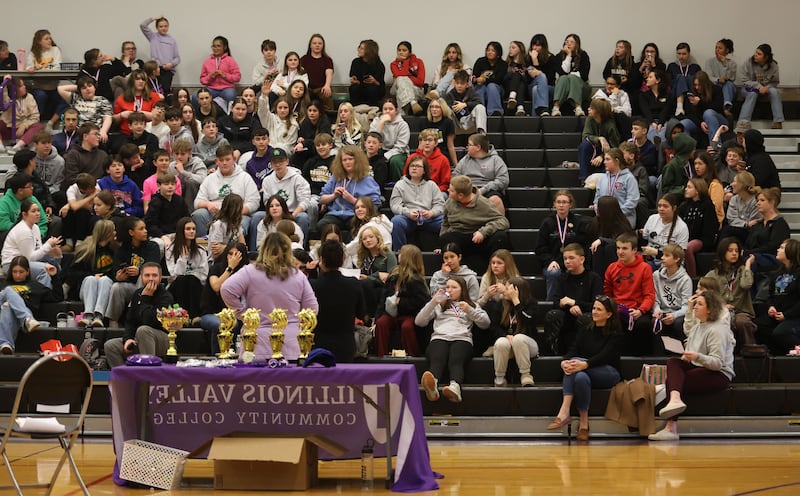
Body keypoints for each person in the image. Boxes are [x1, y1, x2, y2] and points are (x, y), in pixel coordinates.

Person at [649, 290, 735, 441]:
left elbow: (717, 363)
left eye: (700, 304)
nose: (695, 306)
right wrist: (687, 354)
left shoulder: (717, 329)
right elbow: (692, 350)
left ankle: (671, 427)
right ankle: (675, 400)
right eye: (695, 303)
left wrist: (697, 356)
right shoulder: (698, 326)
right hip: (700, 366)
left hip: (719, 374)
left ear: (710, 309)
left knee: (673, 382)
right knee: (673, 362)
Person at [221, 232, 318, 361]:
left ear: (263, 249)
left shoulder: (250, 271)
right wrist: (298, 324)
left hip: (257, 342)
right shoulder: (298, 275)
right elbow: (312, 308)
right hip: (290, 342)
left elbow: (226, 289)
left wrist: (243, 314)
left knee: (253, 375)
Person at [547, 295, 623, 442]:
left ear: (609, 314)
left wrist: (585, 364)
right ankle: (583, 425)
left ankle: (564, 411)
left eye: (599, 309)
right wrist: (564, 362)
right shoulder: (585, 329)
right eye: (594, 308)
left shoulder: (616, 334)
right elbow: (573, 349)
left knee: (576, 366)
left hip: (609, 373)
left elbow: (605, 356)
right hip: (585, 370)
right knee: (580, 376)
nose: (594, 311)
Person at [417, 275, 490, 403]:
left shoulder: (471, 305)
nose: (449, 290)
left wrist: (470, 311)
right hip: (440, 336)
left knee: (456, 359)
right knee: (438, 357)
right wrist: (433, 302)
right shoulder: (439, 305)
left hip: (462, 338)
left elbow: (485, 323)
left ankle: (455, 387)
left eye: (454, 287)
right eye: (448, 287)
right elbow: (419, 321)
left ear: (462, 290)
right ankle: (433, 385)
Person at [104, 262, 174, 367]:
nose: (151, 279)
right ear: (141, 277)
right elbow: (130, 321)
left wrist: (145, 298)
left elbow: (151, 321)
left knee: (143, 330)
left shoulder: (166, 297)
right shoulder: (137, 294)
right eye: (147, 275)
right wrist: (128, 339)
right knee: (110, 346)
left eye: (154, 275)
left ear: (160, 278)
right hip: (141, 338)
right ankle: (125, 376)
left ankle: (148, 373)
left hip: (163, 340)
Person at [439, 175, 510, 274]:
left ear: (460, 195)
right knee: (445, 238)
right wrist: (442, 246)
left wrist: (483, 232)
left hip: (480, 237)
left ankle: (494, 271)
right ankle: (458, 273)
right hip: (459, 235)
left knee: (500, 237)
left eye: (451, 191)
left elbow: (503, 221)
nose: (448, 191)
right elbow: (445, 223)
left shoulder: (484, 204)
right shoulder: (449, 202)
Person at [310, 240, 366, 362]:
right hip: (345, 345)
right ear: (342, 259)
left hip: (318, 344)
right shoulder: (354, 284)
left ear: (321, 260)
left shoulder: (312, 285)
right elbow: (361, 313)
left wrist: (311, 272)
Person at [545, 243, 603, 356]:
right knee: (552, 315)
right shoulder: (562, 278)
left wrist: (576, 303)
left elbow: (598, 304)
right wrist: (568, 306)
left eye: (571, 258)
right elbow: (556, 302)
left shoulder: (593, 278)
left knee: (586, 318)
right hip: (567, 316)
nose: (567, 261)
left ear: (582, 259)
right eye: (565, 258)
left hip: (586, 315)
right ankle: (553, 354)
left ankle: (586, 354)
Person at [604, 232, 657, 356]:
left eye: (624, 248)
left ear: (634, 250)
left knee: (643, 325)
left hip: (637, 310)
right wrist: (613, 308)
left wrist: (641, 311)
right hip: (617, 309)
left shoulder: (645, 268)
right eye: (618, 248)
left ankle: (641, 360)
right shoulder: (611, 268)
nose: (620, 252)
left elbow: (649, 295)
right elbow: (607, 293)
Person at [192, 145, 260, 239]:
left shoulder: (245, 178)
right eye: (221, 160)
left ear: (234, 159)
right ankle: (203, 245)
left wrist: (235, 212)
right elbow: (197, 202)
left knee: (242, 224)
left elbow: (254, 202)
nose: (224, 163)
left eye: (227, 159)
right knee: (199, 214)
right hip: (215, 214)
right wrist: (207, 204)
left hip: (238, 215)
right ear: (216, 161)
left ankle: (233, 247)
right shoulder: (209, 179)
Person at [374, 244, 429, 357]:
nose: (399, 256)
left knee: (407, 327)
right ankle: (380, 355)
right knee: (381, 323)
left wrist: (402, 302)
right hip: (391, 313)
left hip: (409, 314)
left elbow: (422, 302)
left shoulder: (416, 279)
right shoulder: (393, 275)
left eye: (401, 254)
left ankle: (413, 355)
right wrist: (377, 317)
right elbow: (383, 297)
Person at [105, 217, 160, 326]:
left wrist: (139, 271)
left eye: (145, 228)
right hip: (130, 287)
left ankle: (134, 314)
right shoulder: (122, 250)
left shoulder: (152, 247)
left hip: (148, 288)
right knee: (116, 287)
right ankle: (113, 322)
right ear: (131, 232)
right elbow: (115, 271)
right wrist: (118, 277)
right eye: (141, 229)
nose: (145, 231)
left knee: (143, 276)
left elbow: (154, 268)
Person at [536, 190, 589, 300]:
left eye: (564, 202)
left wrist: (575, 260)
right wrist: (550, 261)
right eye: (558, 202)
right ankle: (551, 305)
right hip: (554, 262)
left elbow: (582, 246)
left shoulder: (578, 222)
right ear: (554, 204)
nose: (561, 205)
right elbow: (540, 248)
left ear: (570, 204)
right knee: (554, 273)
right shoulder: (547, 223)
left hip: (573, 261)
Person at [317, 145, 381, 235]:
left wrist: (353, 200)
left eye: (350, 159)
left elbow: (374, 206)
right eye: (344, 160)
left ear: (357, 161)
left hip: (355, 215)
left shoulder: (367, 180)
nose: (347, 162)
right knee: (322, 225)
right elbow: (321, 199)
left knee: (360, 228)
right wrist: (334, 195)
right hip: (335, 214)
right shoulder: (335, 177)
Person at [705, 237, 757, 348]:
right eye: (730, 250)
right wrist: (721, 306)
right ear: (722, 252)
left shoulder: (742, 270)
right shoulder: (713, 274)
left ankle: (751, 349)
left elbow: (746, 284)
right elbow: (705, 295)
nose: (734, 253)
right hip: (720, 311)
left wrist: (748, 265)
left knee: (742, 322)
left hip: (740, 311)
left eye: (737, 251)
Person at [487, 277, 539, 386]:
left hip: (528, 345)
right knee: (501, 342)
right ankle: (499, 378)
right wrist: (505, 335)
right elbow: (494, 327)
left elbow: (528, 320)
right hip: (508, 345)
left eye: (507, 289)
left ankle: (526, 375)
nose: (504, 291)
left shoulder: (531, 303)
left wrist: (516, 301)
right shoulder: (501, 304)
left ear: (517, 291)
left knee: (518, 338)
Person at [199, 242, 248, 354]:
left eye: (237, 254)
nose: (233, 257)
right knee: (223, 324)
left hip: (239, 315)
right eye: (230, 254)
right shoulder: (216, 268)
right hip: (213, 314)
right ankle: (218, 357)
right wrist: (230, 268)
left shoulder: (246, 272)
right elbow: (216, 287)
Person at [1, 199, 60, 289]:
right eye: (33, 211)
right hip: (12, 264)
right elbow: (30, 258)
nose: (37, 214)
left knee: (54, 262)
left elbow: (38, 249)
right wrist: (48, 245)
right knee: (44, 270)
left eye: (38, 211)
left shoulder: (35, 227)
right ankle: (42, 295)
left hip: (25, 261)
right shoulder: (23, 230)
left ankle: (56, 292)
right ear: (24, 214)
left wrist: (52, 250)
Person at [66, 220, 115, 327]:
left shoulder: (114, 250)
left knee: (105, 280)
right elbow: (72, 272)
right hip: (87, 289)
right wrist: (92, 275)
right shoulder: (87, 250)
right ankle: (88, 315)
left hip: (105, 289)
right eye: (113, 231)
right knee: (90, 279)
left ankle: (98, 316)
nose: (115, 233)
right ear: (107, 233)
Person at [755, 239, 800, 355]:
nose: (778, 250)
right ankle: (778, 355)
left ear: (791, 251)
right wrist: (771, 307)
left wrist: (787, 315)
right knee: (758, 326)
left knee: (781, 332)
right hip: (778, 314)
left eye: (782, 248)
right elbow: (770, 295)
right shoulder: (776, 273)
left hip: (794, 316)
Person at [390, 155, 445, 248]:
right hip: (408, 218)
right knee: (396, 221)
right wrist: (408, 213)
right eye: (412, 166)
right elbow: (395, 206)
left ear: (424, 171)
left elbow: (440, 204)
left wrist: (431, 213)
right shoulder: (400, 184)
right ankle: (400, 252)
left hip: (428, 217)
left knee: (446, 221)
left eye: (418, 166)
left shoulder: (431, 185)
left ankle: (445, 250)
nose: (414, 168)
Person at [260, 148, 314, 240]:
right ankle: (257, 248)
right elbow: (267, 202)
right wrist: (275, 214)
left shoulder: (297, 178)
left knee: (303, 217)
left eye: (281, 161)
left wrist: (293, 215)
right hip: (274, 212)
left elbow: (305, 200)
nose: (278, 165)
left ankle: (301, 246)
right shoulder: (267, 180)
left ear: (287, 161)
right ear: (271, 164)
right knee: (257, 216)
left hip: (293, 212)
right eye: (274, 162)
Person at [166, 218, 208, 321]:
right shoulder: (171, 249)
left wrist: (190, 274)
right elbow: (175, 274)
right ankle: (182, 316)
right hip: (177, 285)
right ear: (181, 231)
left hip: (195, 285)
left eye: (193, 229)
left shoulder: (200, 250)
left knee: (192, 280)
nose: (192, 231)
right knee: (181, 280)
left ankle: (194, 317)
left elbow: (204, 274)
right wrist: (183, 258)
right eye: (188, 229)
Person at [0, 257, 44, 354]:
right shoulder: (2, 284)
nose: (17, 275)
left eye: (21, 272)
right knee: (8, 290)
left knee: (8, 307)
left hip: (14, 315)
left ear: (27, 271)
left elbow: (57, 297)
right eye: (14, 272)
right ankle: (27, 319)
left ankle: (6, 345)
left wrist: (54, 276)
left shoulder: (35, 286)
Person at [680, 178, 720, 277]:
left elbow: (711, 228)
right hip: (686, 237)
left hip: (702, 239)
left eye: (689, 187)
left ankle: (692, 277)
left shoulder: (707, 205)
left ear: (697, 190)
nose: (686, 189)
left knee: (688, 247)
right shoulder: (685, 205)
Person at [587, 196, 635, 277]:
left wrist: (602, 240)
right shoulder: (596, 222)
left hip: (617, 257)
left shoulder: (622, 224)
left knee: (608, 247)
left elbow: (624, 242)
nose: (596, 209)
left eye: (599, 207)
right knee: (598, 248)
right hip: (597, 258)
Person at [26, 29, 66, 127]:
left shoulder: (55, 50)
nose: (49, 41)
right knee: (41, 96)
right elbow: (28, 67)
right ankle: (37, 123)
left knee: (66, 100)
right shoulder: (33, 53)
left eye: (50, 38)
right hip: (39, 86)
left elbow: (57, 68)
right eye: (46, 39)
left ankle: (50, 123)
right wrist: (31, 69)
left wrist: (39, 69)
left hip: (54, 86)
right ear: (39, 41)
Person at [739, 44, 784, 129]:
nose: (755, 55)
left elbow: (775, 82)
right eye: (756, 52)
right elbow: (745, 80)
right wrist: (759, 87)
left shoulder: (773, 65)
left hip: (766, 89)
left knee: (774, 92)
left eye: (759, 54)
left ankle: (778, 121)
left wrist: (767, 87)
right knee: (753, 93)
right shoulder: (748, 62)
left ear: (766, 57)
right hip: (749, 88)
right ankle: (743, 123)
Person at [652, 244, 693, 339]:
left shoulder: (685, 280)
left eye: (667, 255)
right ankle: (658, 349)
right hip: (662, 311)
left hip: (678, 313)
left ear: (677, 259)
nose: (662, 258)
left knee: (679, 323)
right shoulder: (656, 275)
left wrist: (674, 315)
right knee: (654, 322)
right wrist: (657, 310)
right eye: (663, 255)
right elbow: (655, 298)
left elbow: (686, 306)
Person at [640, 193, 689, 270]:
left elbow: (679, 255)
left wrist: (657, 252)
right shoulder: (652, 219)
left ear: (674, 208)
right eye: (659, 206)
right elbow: (644, 236)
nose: (661, 209)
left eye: (665, 206)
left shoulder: (682, 227)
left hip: (670, 264)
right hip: (650, 260)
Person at [592, 148, 638, 228]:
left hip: (623, 220)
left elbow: (632, 201)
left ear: (617, 161)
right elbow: (597, 199)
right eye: (604, 159)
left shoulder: (629, 178)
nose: (604, 162)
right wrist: (598, 210)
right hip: (605, 219)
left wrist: (616, 214)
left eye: (607, 159)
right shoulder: (602, 178)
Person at [368, 96, 410, 181]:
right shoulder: (377, 121)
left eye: (390, 109)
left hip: (398, 152)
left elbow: (401, 146)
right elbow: (372, 138)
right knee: (372, 156)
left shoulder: (402, 124)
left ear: (396, 110)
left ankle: (397, 183)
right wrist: (381, 123)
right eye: (385, 109)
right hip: (380, 149)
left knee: (395, 161)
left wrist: (386, 156)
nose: (387, 111)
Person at [680, 71, 728, 144]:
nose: (697, 87)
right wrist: (700, 123)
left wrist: (700, 103)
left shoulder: (716, 89)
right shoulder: (692, 93)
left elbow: (718, 107)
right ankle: (688, 149)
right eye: (695, 85)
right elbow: (689, 113)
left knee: (708, 113)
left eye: (699, 85)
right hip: (700, 121)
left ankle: (715, 146)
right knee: (683, 124)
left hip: (718, 119)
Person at [578, 99, 621, 181]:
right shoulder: (590, 119)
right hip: (593, 149)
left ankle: (606, 180)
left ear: (599, 112)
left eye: (592, 108)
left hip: (607, 152)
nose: (588, 109)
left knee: (610, 159)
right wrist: (599, 138)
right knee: (584, 145)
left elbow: (615, 147)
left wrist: (602, 156)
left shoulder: (610, 125)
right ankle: (584, 178)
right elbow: (585, 136)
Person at [0, 77, 44, 155]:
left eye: (23, 85)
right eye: (21, 86)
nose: (24, 87)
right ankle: (0, 146)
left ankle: (18, 146)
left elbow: (35, 116)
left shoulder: (29, 97)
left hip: (23, 130)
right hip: (9, 128)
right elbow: (4, 96)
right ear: (14, 89)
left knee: (38, 126)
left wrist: (24, 126)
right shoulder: (8, 99)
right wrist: (5, 82)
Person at [551, 34, 590, 117]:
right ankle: (556, 107)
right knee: (563, 78)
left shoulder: (583, 55)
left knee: (572, 77)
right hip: (565, 87)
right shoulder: (559, 56)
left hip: (582, 87)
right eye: (567, 42)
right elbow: (562, 73)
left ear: (577, 44)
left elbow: (584, 75)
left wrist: (570, 75)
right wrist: (569, 55)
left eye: (572, 42)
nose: (569, 44)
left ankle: (578, 107)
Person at [139, 16, 180, 96]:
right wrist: (153, 18)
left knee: (166, 91)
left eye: (165, 26)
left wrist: (171, 64)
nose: (163, 28)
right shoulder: (153, 37)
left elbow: (177, 58)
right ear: (157, 27)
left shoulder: (172, 40)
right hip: (155, 69)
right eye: (161, 26)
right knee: (153, 90)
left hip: (168, 70)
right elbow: (142, 25)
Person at [403, 128, 451, 193]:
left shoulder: (443, 160)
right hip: (414, 190)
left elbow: (445, 183)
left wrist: (434, 192)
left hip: (435, 192)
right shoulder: (412, 158)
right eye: (424, 140)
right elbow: (406, 177)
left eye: (430, 140)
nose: (427, 143)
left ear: (436, 143)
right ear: (420, 142)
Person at [444, 70, 488, 136]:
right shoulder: (450, 94)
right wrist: (454, 107)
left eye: (462, 83)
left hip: (469, 122)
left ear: (467, 84)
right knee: (446, 109)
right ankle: (447, 138)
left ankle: (482, 135)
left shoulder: (471, 92)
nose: (459, 86)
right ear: (454, 83)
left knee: (480, 107)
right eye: (457, 83)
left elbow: (479, 102)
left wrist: (465, 104)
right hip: (456, 123)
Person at [722, 171, 760, 244]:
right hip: (737, 230)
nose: (731, 184)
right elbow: (731, 219)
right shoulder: (734, 199)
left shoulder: (757, 200)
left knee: (727, 231)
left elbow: (755, 223)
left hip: (752, 233)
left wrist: (744, 224)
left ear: (742, 184)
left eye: (734, 181)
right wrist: (746, 224)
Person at [299, 34, 334, 112]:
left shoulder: (327, 60)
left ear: (323, 46)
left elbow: (329, 73)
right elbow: (299, 74)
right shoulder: (304, 59)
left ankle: (329, 116)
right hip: (307, 88)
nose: (317, 45)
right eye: (314, 43)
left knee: (327, 93)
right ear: (310, 45)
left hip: (321, 88)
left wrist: (327, 85)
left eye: (320, 43)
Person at [389, 41, 425, 116]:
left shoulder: (418, 62)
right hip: (395, 88)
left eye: (404, 50)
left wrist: (407, 77)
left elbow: (421, 82)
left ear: (410, 52)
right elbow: (401, 75)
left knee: (400, 91)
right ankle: (412, 102)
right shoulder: (393, 64)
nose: (401, 52)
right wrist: (405, 61)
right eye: (399, 50)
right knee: (401, 79)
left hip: (416, 89)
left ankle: (402, 116)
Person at [472, 41, 508, 117]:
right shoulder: (480, 61)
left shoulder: (503, 64)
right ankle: (478, 112)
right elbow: (474, 75)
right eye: (488, 50)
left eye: (493, 51)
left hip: (497, 88)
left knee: (491, 86)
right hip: (481, 86)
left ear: (498, 53)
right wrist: (476, 80)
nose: (490, 52)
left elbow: (499, 80)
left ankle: (495, 112)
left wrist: (485, 80)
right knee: (480, 88)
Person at [527, 34, 559, 117]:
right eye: (533, 45)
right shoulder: (528, 58)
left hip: (549, 87)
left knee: (536, 88)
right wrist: (534, 60)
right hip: (531, 86)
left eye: (538, 45)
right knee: (539, 79)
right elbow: (527, 79)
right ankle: (544, 109)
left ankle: (535, 119)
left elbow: (550, 78)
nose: (534, 48)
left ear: (543, 46)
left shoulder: (551, 58)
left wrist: (537, 67)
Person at [207, 193, 246, 260]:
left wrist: (224, 247)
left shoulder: (237, 224)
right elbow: (215, 254)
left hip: (234, 259)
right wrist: (236, 248)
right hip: (217, 262)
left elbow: (243, 247)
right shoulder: (218, 225)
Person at [666, 43, 701, 117]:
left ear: (688, 54)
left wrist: (687, 79)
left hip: (692, 92)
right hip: (676, 93)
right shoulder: (672, 66)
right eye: (679, 54)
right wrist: (680, 80)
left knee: (690, 78)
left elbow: (699, 82)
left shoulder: (695, 67)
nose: (681, 56)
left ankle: (684, 104)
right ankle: (679, 107)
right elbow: (668, 82)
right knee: (681, 78)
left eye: (684, 54)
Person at [348, 39, 385, 108]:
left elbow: (380, 84)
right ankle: (355, 109)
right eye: (359, 47)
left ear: (369, 51)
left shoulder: (379, 64)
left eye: (362, 48)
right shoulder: (356, 62)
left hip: (374, 87)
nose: (359, 50)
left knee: (372, 89)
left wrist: (374, 81)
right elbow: (353, 76)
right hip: (360, 86)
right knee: (354, 88)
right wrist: (354, 80)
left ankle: (373, 109)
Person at [293, 101, 331, 165]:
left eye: (314, 111)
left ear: (320, 112)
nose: (312, 113)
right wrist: (300, 139)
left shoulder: (325, 123)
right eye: (310, 110)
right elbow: (302, 137)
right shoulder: (305, 122)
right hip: (308, 147)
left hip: (320, 148)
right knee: (297, 154)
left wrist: (304, 142)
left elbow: (321, 140)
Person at [705, 39, 737, 116]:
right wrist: (718, 79)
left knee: (728, 84)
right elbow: (708, 77)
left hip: (727, 87)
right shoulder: (709, 61)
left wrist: (725, 63)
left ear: (727, 50)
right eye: (716, 47)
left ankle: (726, 107)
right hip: (714, 85)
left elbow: (731, 78)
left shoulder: (732, 63)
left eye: (720, 48)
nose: (717, 50)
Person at [693, 152, 725, 225]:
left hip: (711, 221)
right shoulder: (694, 182)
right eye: (695, 164)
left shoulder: (715, 185)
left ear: (708, 166)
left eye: (700, 164)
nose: (696, 167)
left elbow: (715, 208)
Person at [424, 98, 457, 166]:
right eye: (432, 107)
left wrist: (456, 165)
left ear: (443, 108)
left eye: (437, 107)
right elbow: (421, 143)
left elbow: (450, 145)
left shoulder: (448, 123)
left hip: (442, 153)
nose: (434, 109)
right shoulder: (424, 122)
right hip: (428, 153)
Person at [504, 40, 530, 116]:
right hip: (508, 89)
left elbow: (529, 80)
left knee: (521, 83)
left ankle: (512, 98)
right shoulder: (506, 63)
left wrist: (523, 75)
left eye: (513, 48)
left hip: (524, 91)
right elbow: (504, 79)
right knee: (516, 74)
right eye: (509, 48)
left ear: (520, 49)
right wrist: (512, 73)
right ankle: (520, 107)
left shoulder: (526, 63)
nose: (510, 50)